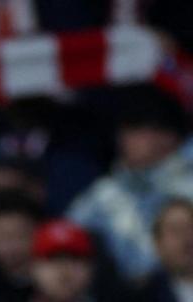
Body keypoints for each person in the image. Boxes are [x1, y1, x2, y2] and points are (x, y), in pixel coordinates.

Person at [68, 86, 193, 283]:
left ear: (168, 136)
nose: (127, 139)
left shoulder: (189, 184)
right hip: (126, 295)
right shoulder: (104, 194)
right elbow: (69, 237)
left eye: (138, 129)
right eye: (126, 130)